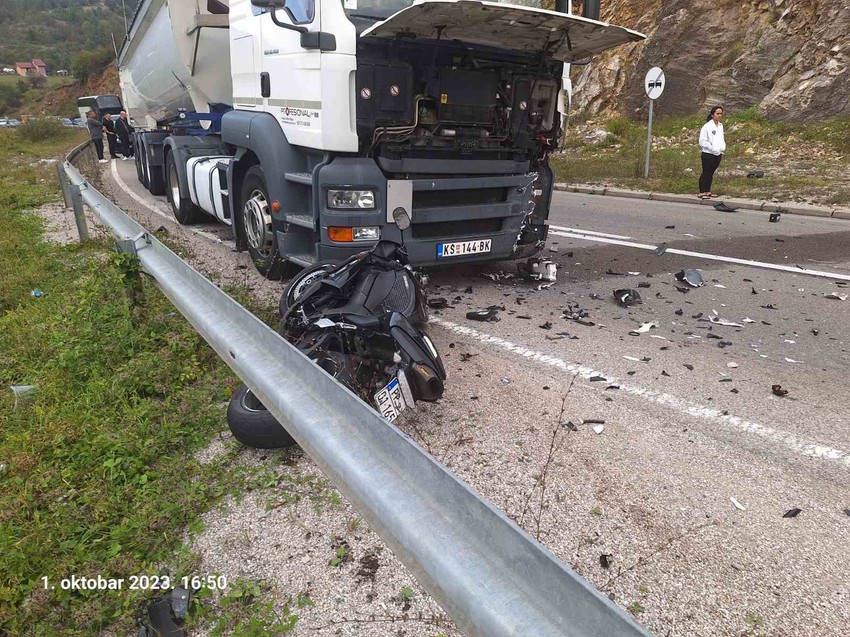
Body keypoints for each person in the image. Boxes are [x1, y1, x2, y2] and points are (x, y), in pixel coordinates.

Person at [698, 105, 726, 199]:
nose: (719, 115)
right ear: (712, 114)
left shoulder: (720, 126)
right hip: (708, 153)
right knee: (706, 172)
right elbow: (702, 141)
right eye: (717, 114)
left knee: (711, 173)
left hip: (718, 153)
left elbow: (720, 138)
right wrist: (711, 148)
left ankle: (707, 190)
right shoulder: (707, 126)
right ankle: (702, 191)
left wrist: (722, 147)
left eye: (720, 114)